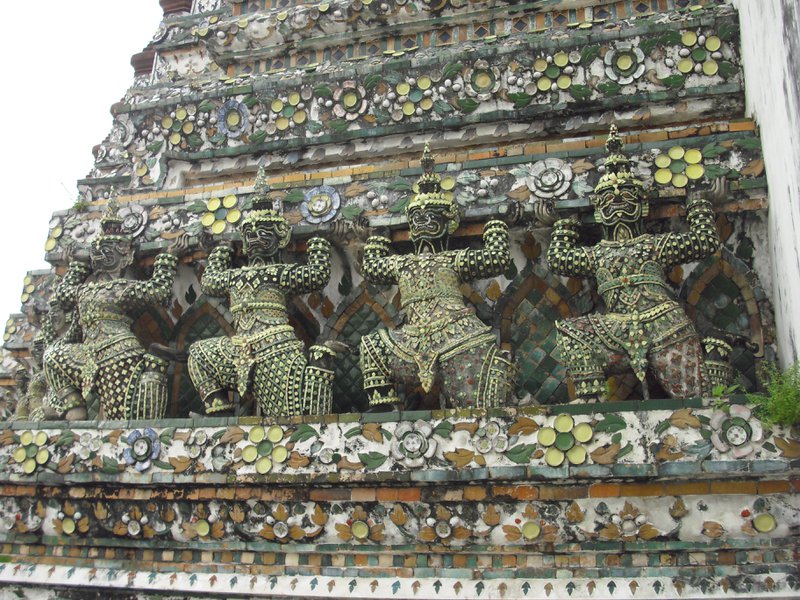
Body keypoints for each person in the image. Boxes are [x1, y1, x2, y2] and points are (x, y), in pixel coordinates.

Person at [547, 125, 722, 401]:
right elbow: (559, 259)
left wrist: (699, 205)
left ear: (641, 205)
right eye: (608, 201)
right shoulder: (597, 254)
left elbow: (704, 241)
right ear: (599, 211)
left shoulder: (655, 245)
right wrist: (564, 224)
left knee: (696, 401)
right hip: (617, 328)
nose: (617, 203)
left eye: (626, 197)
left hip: (664, 323)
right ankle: (591, 402)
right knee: (572, 332)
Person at [360, 145, 514, 410]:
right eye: (417, 218)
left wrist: (495, 222)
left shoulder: (453, 259)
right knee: (371, 345)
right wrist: (376, 236)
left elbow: (497, 258)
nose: (422, 222)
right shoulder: (403, 263)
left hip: (457, 334)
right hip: (410, 339)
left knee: (476, 404)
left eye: (431, 216)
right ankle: (383, 408)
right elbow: (372, 267)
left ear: (448, 222)